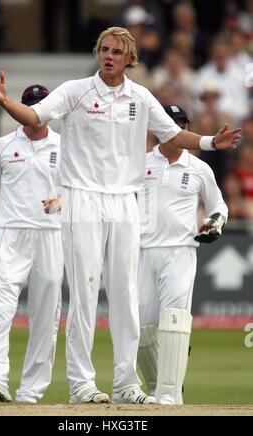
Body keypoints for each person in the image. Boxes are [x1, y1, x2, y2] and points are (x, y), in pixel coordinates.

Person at [0, 27, 240, 405]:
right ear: (97, 53)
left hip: (125, 201)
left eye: (116, 51)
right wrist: (5, 101)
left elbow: (171, 136)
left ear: (129, 58)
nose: (108, 55)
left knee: (125, 294)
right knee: (86, 293)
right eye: (103, 49)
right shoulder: (76, 90)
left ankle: (126, 383)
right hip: (82, 198)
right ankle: (81, 384)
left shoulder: (140, 96)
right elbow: (36, 115)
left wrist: (208, 143)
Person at [0, 85, 64, 404]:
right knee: (2, 309)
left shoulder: (65, 147)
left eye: (42, 106)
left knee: (45, 316)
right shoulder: (3, 146)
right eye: (31, 106)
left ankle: (30, 392)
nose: (37, 112)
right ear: (21, 109)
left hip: (50, 235)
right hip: (11, 235)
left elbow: (79, 188)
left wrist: (61, 201)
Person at [137, 105, 228, 405]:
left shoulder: (200, 168)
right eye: (171, 124)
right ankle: (157, 388)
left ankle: (170, 396)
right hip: (142, 252)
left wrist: (214, 222)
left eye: (182, 125)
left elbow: (218, 206)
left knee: (174, 320)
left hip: (181, 251)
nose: (177, 130)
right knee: (142, 328)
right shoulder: (139, 163)